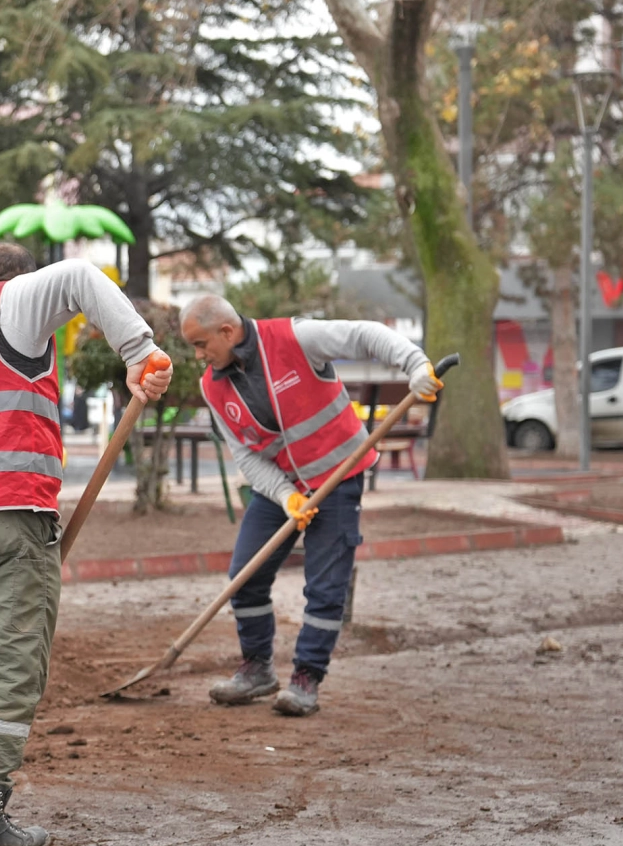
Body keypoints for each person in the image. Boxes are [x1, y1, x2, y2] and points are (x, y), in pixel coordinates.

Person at [0, 242, 172, 846]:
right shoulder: (13, 302)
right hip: (1, 514)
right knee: (11, 664)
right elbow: (81, 275)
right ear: (18, 279)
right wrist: (140, 351)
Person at [180, 295, 440, 717]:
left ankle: (306, 678)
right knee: (245, 575)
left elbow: (364, 334)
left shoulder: (295, 337)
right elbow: (246, 457)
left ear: (226, 332)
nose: (198, 355)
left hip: (338, 476)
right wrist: (286, 496)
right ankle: (258, 669)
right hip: (279, 487)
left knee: (325, 586)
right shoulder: (213, 385)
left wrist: (414, 364)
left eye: (200, 343)